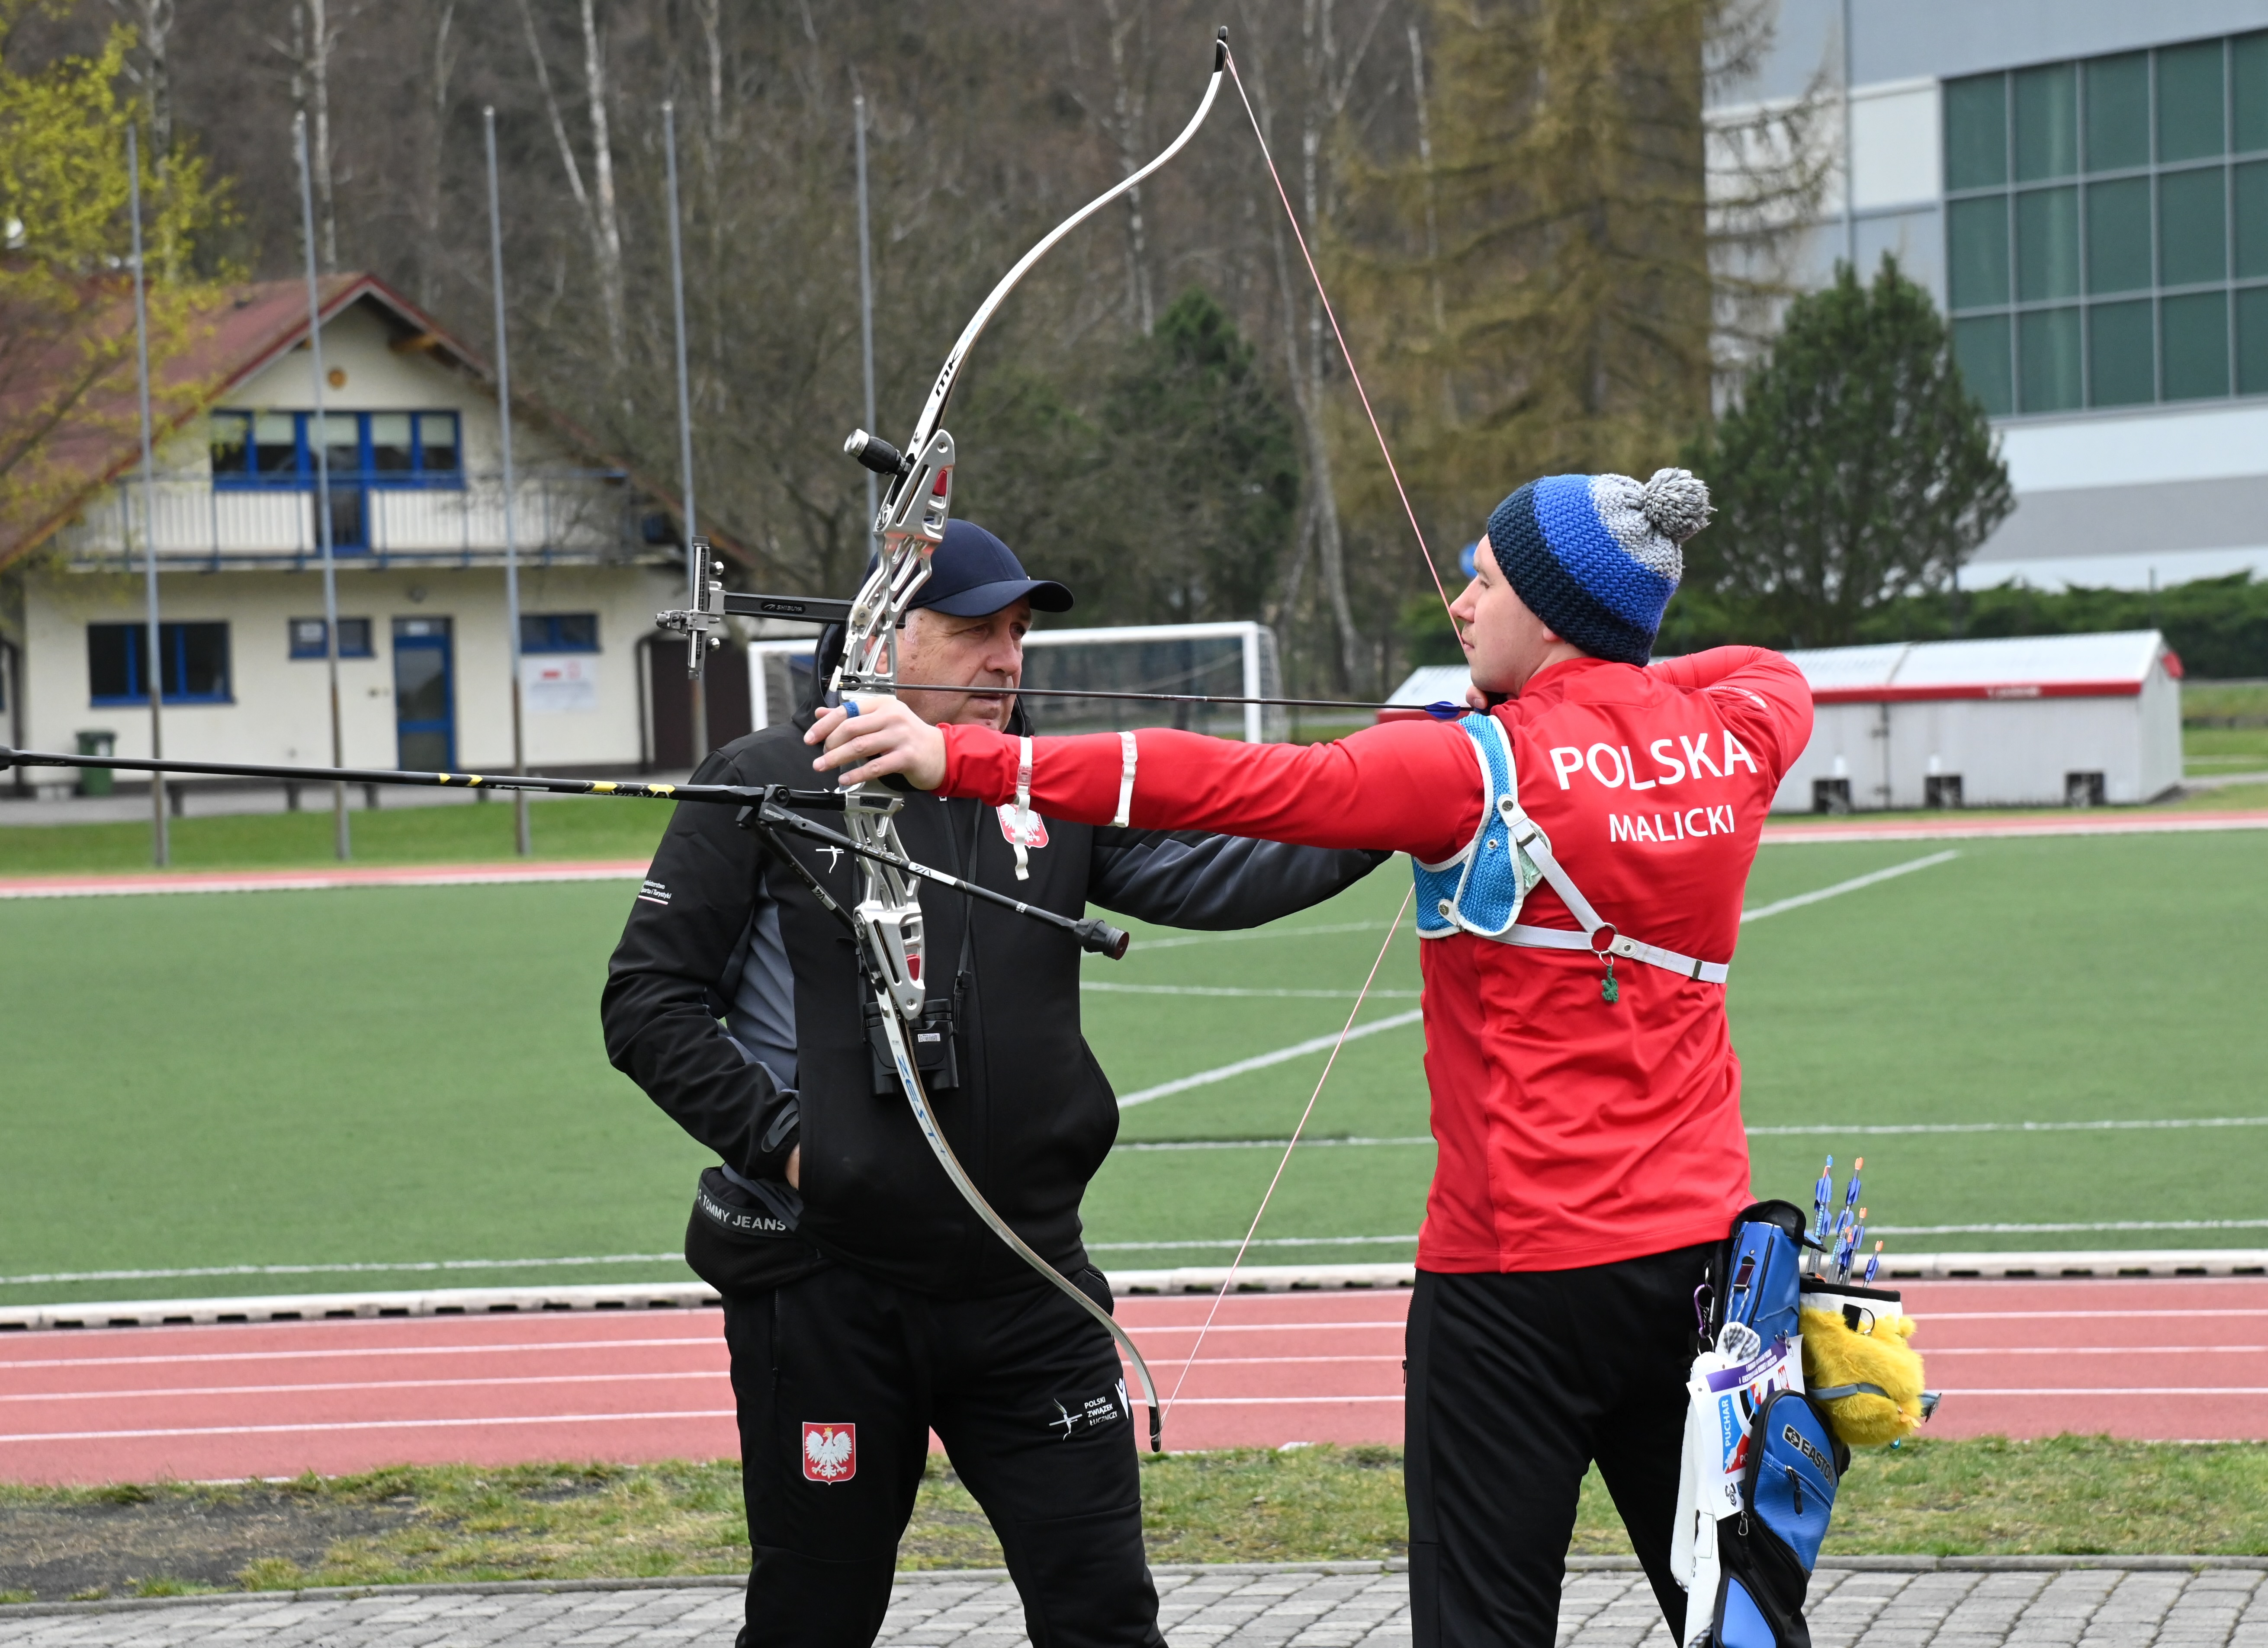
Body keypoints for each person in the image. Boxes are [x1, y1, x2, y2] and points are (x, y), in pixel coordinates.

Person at [808, 471, 1816, 1648]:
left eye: (1482, 580)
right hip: (1700, 1267)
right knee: (1734, 1608)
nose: (1458, 604)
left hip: (1511, 1287)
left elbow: (1226, 781)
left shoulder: (1465, 766)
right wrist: (1613, 687)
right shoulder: (1737, 734)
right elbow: (1758, 666)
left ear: (1547, 612)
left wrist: (967, 761)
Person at [601, 518, 1387, 1648]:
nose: (1008, 657)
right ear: (886, 635)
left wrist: (1393, 805)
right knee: (813, 1617)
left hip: (1029, 1283)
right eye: (976, 630)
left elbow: (1217, 866)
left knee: (1105, 1613)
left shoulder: (1040, 781)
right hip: (828, 1289)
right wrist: (789, 1142)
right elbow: (647, 1001)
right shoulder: (766, 781)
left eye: (1018, 632)